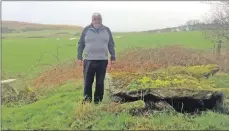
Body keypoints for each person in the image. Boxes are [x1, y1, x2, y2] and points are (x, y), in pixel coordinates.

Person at [77, 13, 116, 104]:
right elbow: (81, 44)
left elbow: (110, 44)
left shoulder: (106, 30)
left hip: (103, 60)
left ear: (101, 20)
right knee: (88, 82)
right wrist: (79, 57)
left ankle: (98, 101)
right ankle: (87, 101)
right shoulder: (86, 30)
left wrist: (113, 57)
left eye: (98, 19)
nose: (97, 21)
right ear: (92, 20)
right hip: (89, 60)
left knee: (100, 82)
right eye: (95, 19)